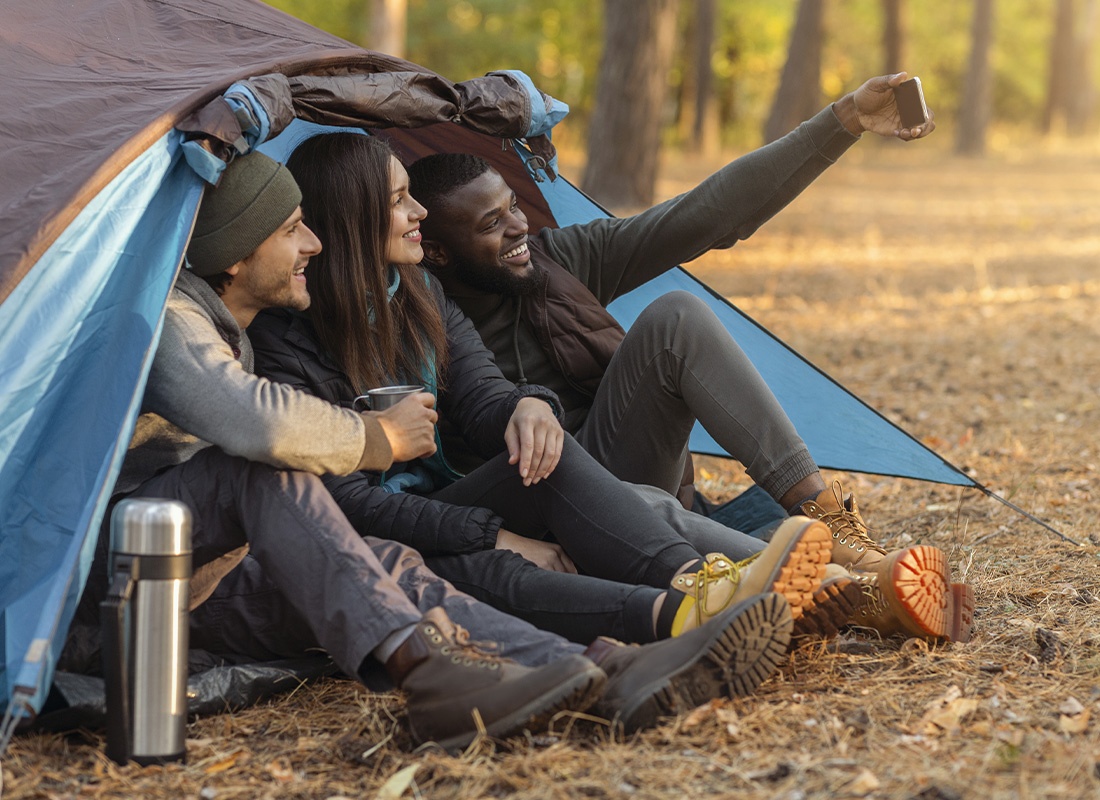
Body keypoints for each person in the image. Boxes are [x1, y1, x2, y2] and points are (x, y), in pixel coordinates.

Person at [65, 150, 806, 749]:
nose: (312, 244)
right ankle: (680, 607)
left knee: (412, 560)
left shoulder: (408, 295)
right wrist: (378, 441)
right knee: (390, 530)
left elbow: (480, 393)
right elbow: (261, 430)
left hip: (265, 546)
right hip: (145, 571)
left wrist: (529, 405)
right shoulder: (187, 323)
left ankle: (621, 653)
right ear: (235, 254)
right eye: (293, 229)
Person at [407, 72, 974, 644]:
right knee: (640, 500)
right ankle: (859, 590)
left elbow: (707, 214)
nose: (517, 226)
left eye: (511, 206)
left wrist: (844, 118)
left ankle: (836, 531)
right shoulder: (415, 327)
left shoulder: (558, 261)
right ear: (433, 251)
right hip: (547, 519)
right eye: (490, 223)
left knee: (676, 316)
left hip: (624, 468)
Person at [247, 133, 856, 656]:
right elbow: (344, 504)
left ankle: (830, 577)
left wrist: (528, 402)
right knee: (623, 498)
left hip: (506, 497)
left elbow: (485, 397)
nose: (417, 214)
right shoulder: (289, 339)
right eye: (400, 202)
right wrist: (493, 534)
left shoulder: (421, 294)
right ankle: (717, 587)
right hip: (408, 528)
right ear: (354, 220)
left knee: (564, 448)